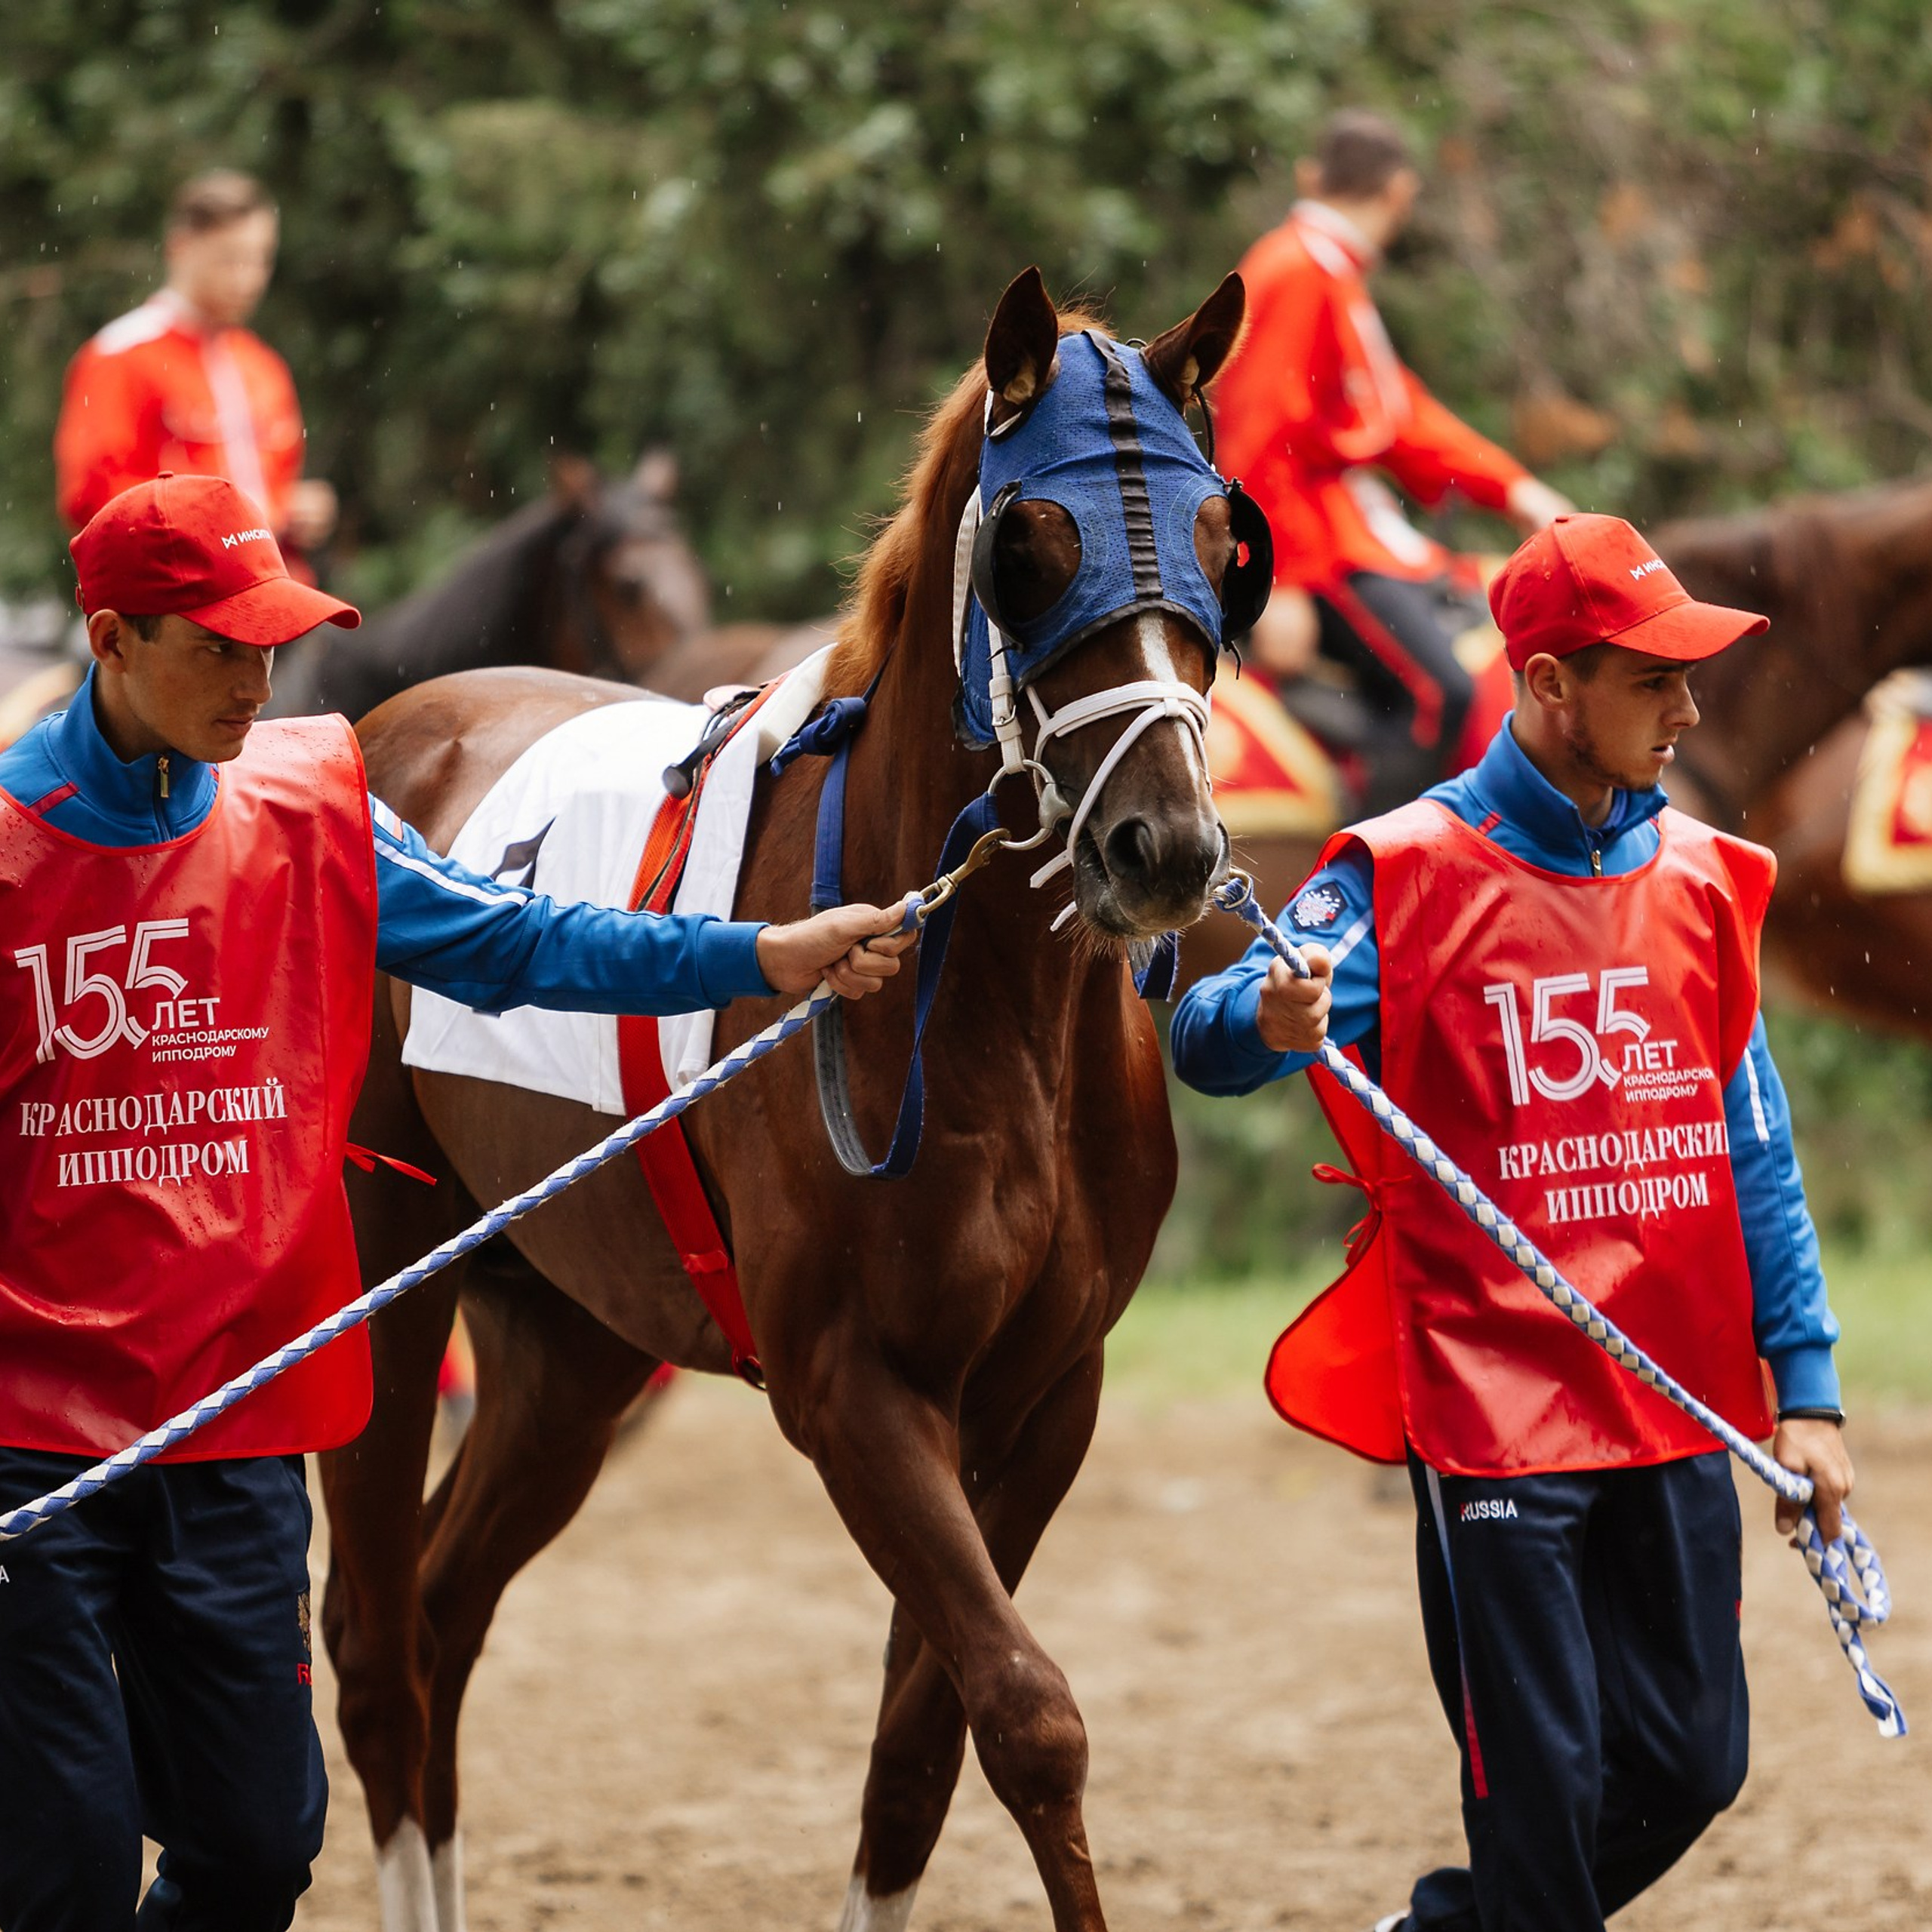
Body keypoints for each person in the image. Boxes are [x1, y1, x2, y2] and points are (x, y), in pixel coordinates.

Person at [0, 473, 915, 1931]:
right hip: (33, 1458)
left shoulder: (306, 805)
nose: (258, 678)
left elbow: (517, 943)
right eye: (217, 646)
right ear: (109, 640)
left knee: (258, 1851)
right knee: (65, 1874)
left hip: (239, 1426)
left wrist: (756, 956)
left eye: (273, 644)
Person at [1171, 514, 1852, 1932]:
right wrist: (1266, 1011)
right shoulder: (1401, 875)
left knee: (1693, 1762)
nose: (1689, 708)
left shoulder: (1703, 884)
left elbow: (1757, 1151)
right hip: (1492, 1414)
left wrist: (1811, 1387)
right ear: (1549, 688)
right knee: (1537, 1799)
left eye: (1686, 678)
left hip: (1669, 1400)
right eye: (1652, 681)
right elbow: (1209, 1032)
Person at [1215, 110, 1574, 808]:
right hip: (1322, 547)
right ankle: (1359, 887)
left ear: (1311, 178)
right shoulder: (1300, 271)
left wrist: (1513, 490)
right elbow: (1258, 433)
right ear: (1402, 192)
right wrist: (1276, 577)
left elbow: (1399, 420)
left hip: (1346, 531)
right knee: (1440, 692)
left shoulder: (1325, 270)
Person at [54, 170, 338, 573]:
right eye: (231, 259)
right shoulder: (121, 356)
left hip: (280, 598)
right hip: (184, 605)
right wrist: (209, 531)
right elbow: (93, 501)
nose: (250, 278)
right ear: (181, 247)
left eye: (261, 258)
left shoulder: (264, 365)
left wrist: (294, 514)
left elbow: (274, 495)